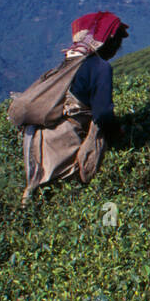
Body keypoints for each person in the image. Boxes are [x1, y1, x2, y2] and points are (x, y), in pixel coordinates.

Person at [20, 12, 128, 204]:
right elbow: (103, 114)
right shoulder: (100, 68)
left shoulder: (69, 62)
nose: (118, 47)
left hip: (38, 136)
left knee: (41, 191)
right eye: (118, 41)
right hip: (64, 138)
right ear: (109, 41)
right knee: (63, 194)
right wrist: (119, 134)